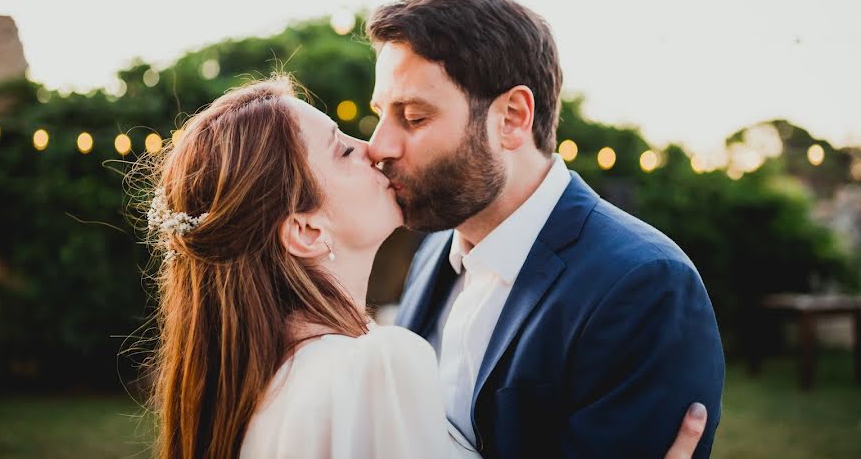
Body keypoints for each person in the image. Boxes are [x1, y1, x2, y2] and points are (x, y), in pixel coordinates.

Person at [141, 76, 710, 458]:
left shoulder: (251, 383)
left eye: (409, 116)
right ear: (306, 230)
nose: (376, 147)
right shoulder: (377, 364)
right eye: (343, 149)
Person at [366, 0, 726, 458]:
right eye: (380, 115)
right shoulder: (435, 247)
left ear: (512, 118)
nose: (378, 146)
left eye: (412, 117)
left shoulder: (645, 286)